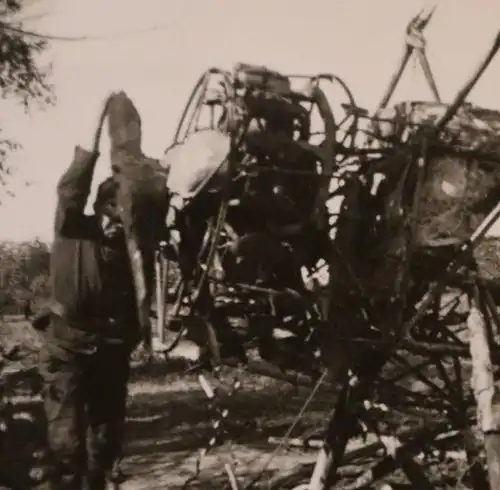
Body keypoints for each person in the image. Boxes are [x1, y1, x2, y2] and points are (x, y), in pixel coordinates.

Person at [37, 95, 143, 490]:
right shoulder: (72, 228)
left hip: (109, 352)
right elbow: (71, 188)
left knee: (105, 444)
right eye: (114, 216)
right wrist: (93, 140)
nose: (119, 226)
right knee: (66, 446)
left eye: (126, 220)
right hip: (66, 350)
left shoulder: (133, 252)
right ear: (100, 209)